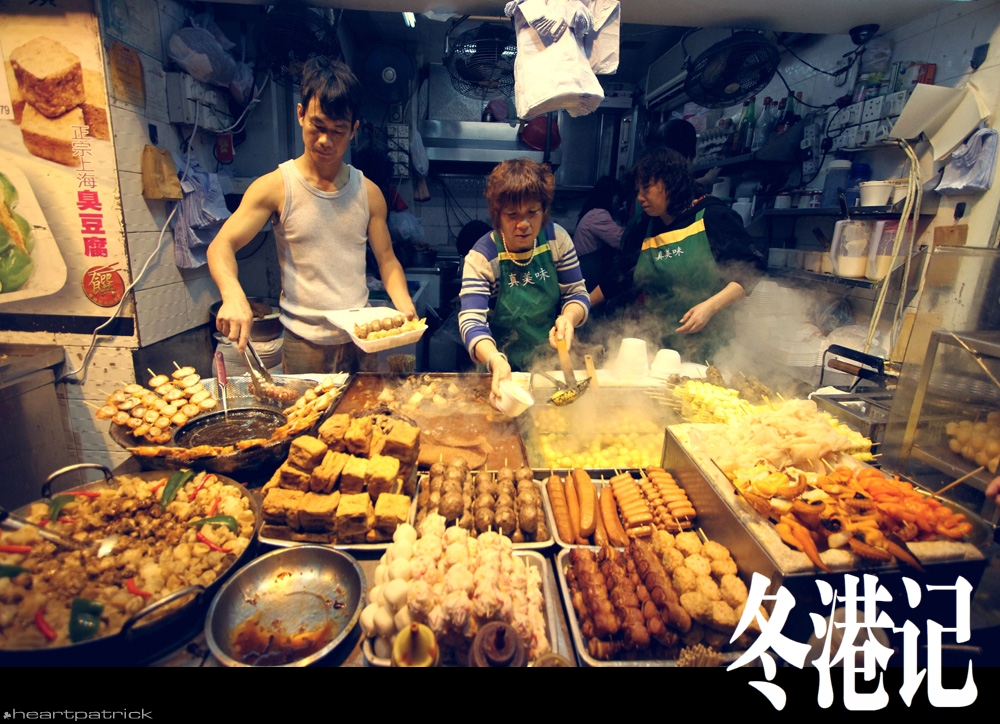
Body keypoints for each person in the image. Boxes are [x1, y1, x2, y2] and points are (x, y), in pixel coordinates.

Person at [207, 57, 416, 374]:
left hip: (361, 339)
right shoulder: (276, 187)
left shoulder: (369, 193)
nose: (325, 140)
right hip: (304, 343)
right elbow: (221, 245)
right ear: (301, 114)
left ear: (353, 130)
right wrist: (232, 295)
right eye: (318, 126)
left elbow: (387, 260)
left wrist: (404, 306)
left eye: (338, 131)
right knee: (308, 423)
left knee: (366, 420)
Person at [590, 147, 763, 362]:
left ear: (669, 183)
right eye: (637, 191)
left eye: (646, 188)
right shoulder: (645, 227)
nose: (640, 198)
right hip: (659, 345)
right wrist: (580, 306)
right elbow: (619, 277)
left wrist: (709, 307)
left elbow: (751, 270)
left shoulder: (712, 217)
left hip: (711, 348)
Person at [458, 158, 590, 403]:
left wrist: (569, 317)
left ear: (544, 210)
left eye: (532, 212)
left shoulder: (556, 240)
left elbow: (577, 293)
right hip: (500, 370)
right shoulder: (483, 256)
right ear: (497, 216)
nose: (524, 225)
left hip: (549, 369)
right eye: (512, 215)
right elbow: (471, 320)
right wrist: (495, 359)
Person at [574, 176, 624, 292]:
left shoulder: (591, 212)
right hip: (589, 275)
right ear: (609, 196)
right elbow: (621, 240)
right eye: (617, 197)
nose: (619, 202)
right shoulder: (598, 215)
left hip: (585, 273)